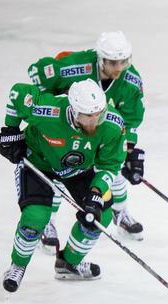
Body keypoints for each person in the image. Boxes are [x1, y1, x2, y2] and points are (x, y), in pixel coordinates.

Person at [0, 79, 125, 292]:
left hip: (79, 169)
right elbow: (17, 93)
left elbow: (110, 164)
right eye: (88, 116)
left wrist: (96, 193)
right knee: (35, 218)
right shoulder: (48, 111)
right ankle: (17, 266)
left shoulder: (112, 124)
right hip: (38, 163)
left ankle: (68, 263)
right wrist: (11, 131)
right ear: (74, 112)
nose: (95, 121)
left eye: (99, 114)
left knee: (100, 216)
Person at [28, 31, 145, 246]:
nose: (119, 68)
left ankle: (120, 213)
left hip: (96, 130)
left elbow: (131, 115)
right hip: (66, 127)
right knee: (61, 169)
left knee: (112, 168)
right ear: (100, 59)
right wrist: (50, 102)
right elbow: (36, 72)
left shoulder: (130, 80)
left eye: (123, 62)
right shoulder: (77, 67)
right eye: (112, 62)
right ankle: (48, 222)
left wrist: (128, 150)